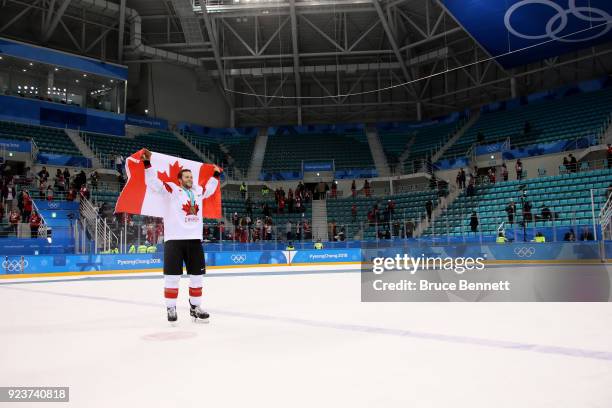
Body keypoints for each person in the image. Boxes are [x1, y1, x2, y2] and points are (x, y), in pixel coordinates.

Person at [141, 148, 220, 323]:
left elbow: (210, 190)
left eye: (191, 177)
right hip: (174, 240)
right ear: (179, 179)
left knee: (197, 277)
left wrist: (215, 175)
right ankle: (171, 307)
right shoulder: (172, 190)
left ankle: (195, 307)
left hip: (194, 240)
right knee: (172, 277)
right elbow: (154, 183)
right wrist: (147, 163)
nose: (190, 179)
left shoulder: (198, 191)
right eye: (186, 177)